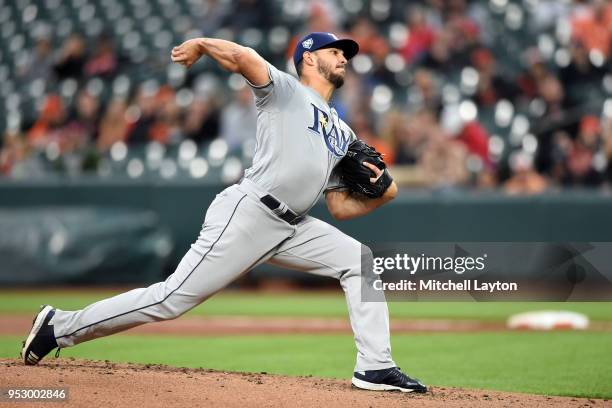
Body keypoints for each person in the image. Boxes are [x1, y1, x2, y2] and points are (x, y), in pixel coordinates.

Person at [21, 32, 428, 393]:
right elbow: (244, 57)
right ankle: (59, 326)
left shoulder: (343, 132)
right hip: (250, 212)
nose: (343, 57)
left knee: (359, 260)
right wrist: (201, 44)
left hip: (294, 226)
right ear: (308, 57)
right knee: (172, 299)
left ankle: (375, 367)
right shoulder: (286, 90)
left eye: (346, 54)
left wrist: (382, 193)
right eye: (334, 51)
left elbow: (341, 206)